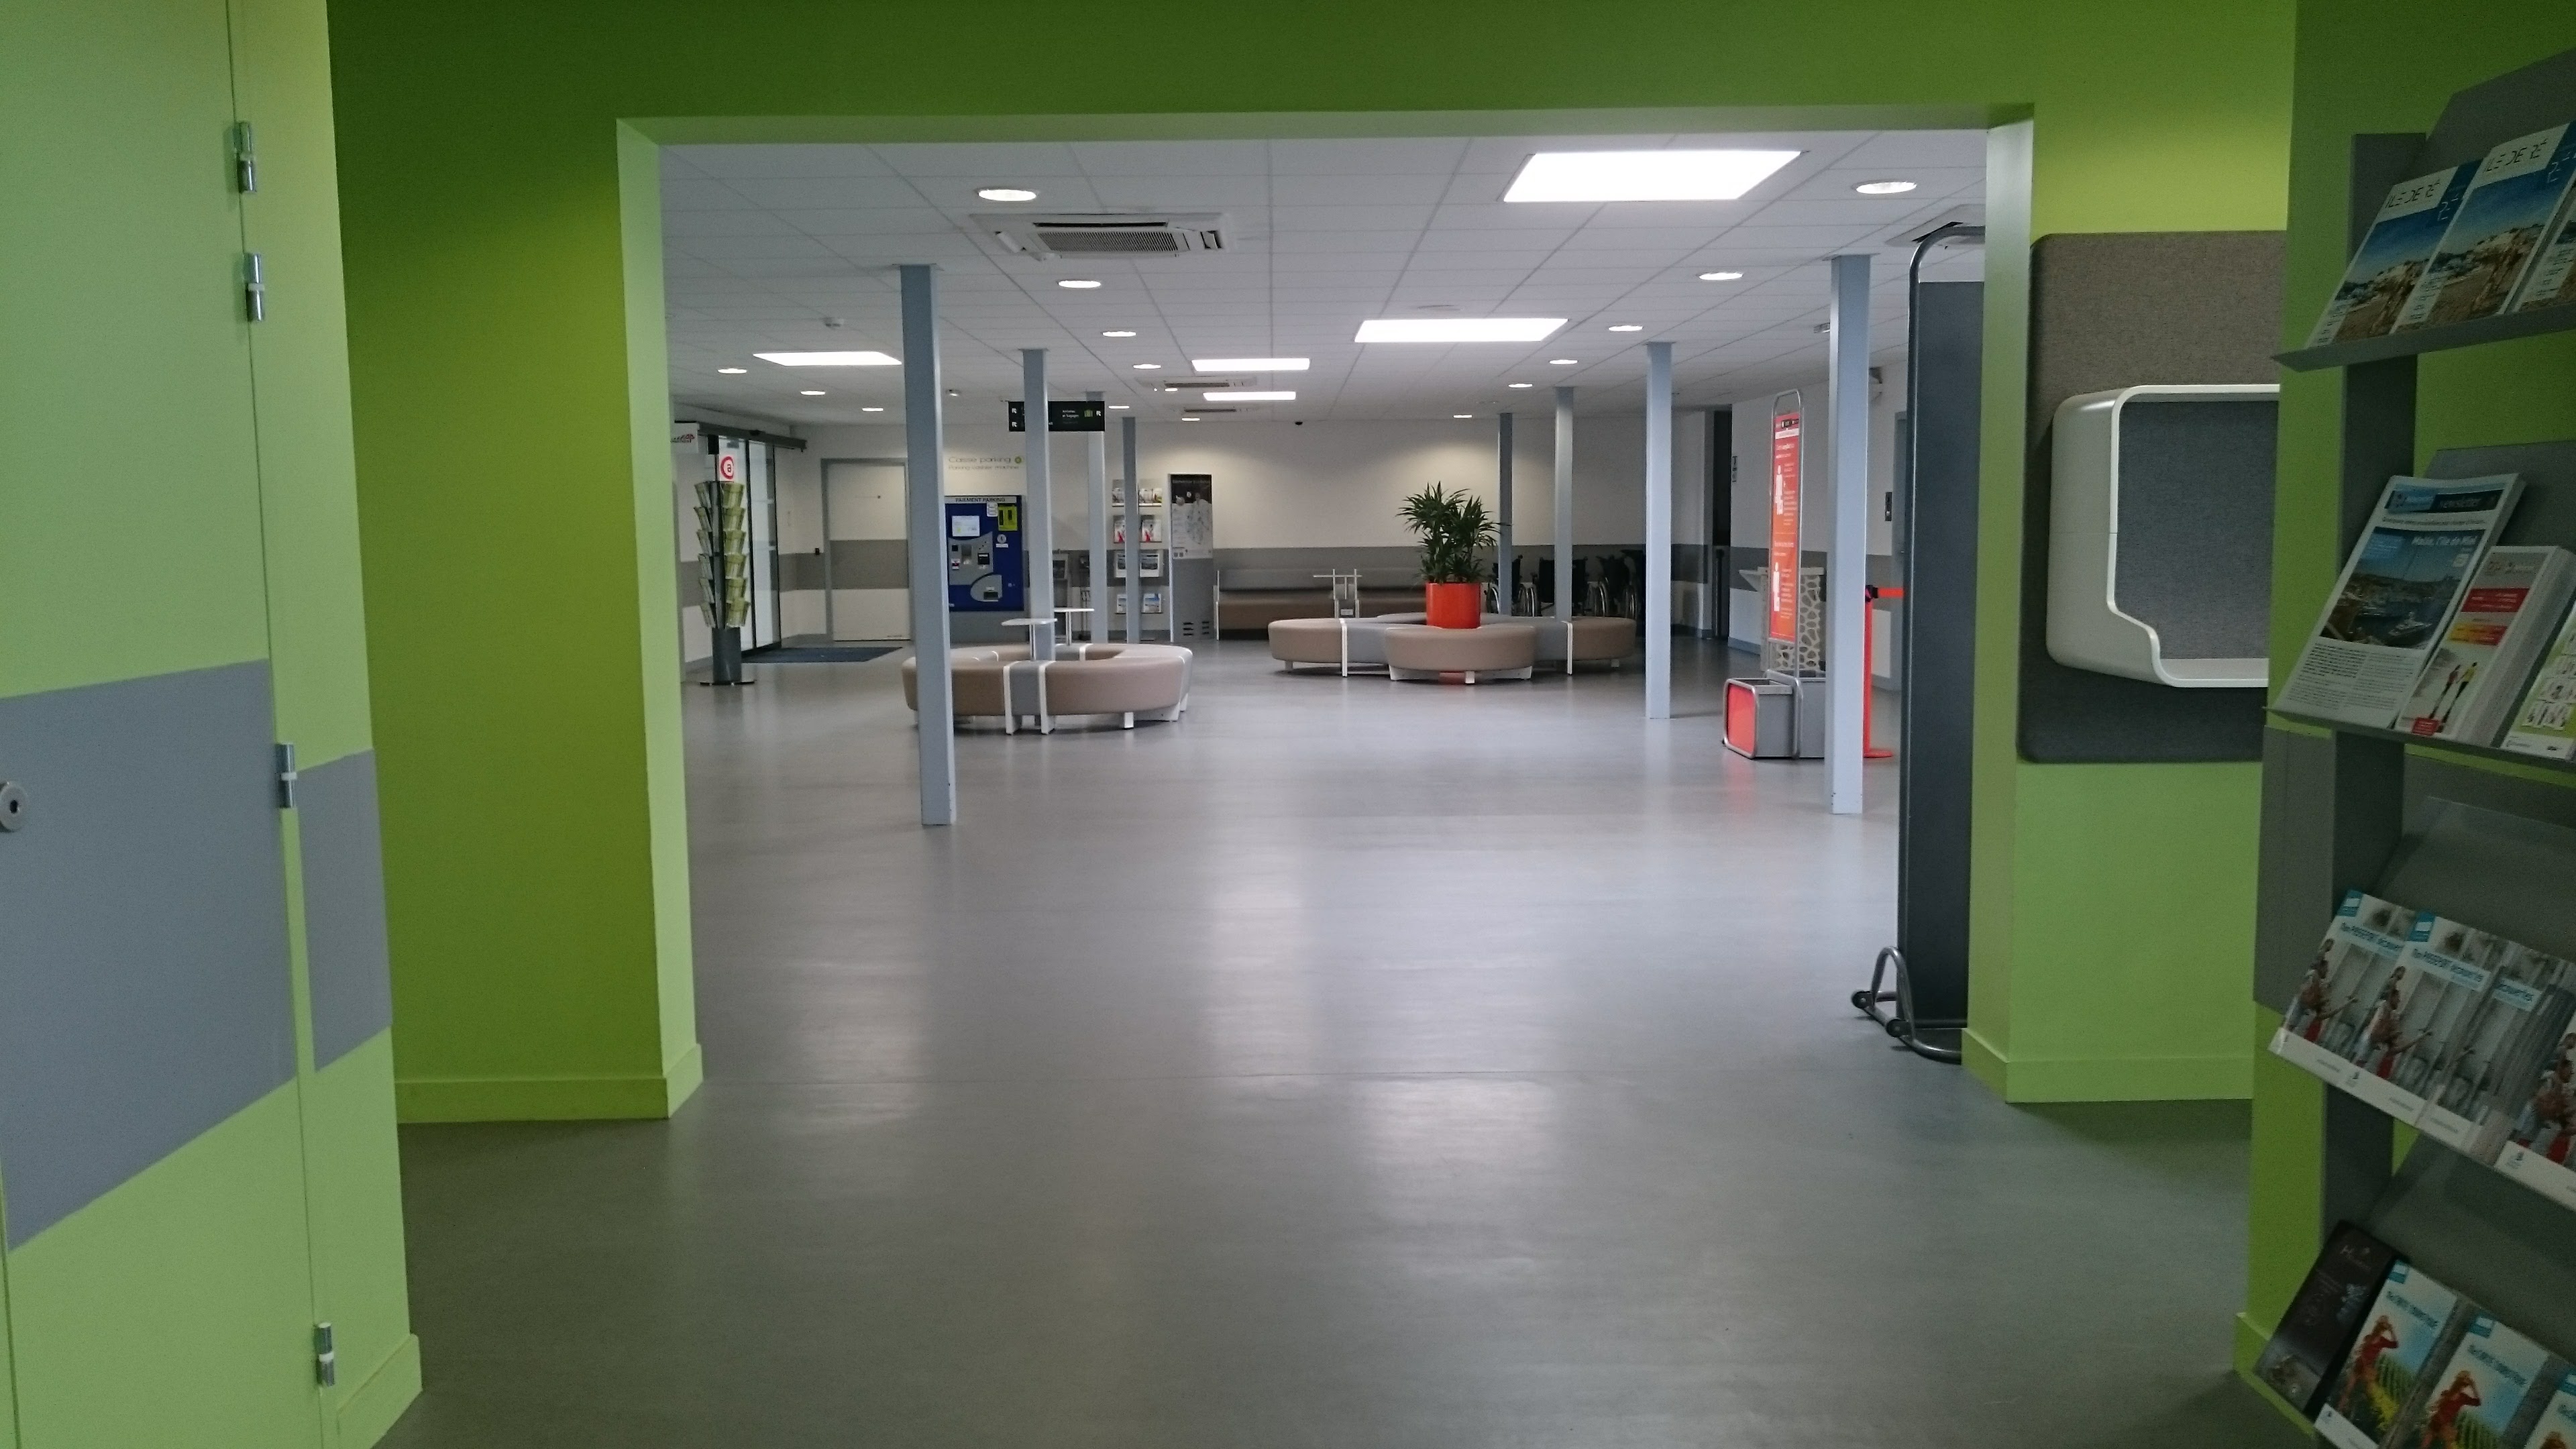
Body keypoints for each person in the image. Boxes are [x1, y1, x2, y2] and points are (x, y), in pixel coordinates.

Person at [2342, 1317, 2401, 1420]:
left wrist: (2392, 1330)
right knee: (2348, 1390)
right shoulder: (2368, 1337)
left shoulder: (2382, 1341)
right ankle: (2341, 1408)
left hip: (2368, 1371)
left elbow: (2395, 1345)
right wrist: (2359, 1352)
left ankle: (2351, 1414)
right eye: (2379, 1326)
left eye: (2382, 1327)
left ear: (2384, 1329)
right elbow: (2360, 1350)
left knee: (2365, 1394)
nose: (2379, 1328)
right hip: (2359, 1366)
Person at [2416, 1368, 2481, 1449]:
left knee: (2443, 1441)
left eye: (2463, 1384)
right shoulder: (2450, 1394)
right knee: (2431, 1442)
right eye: (2462, 1383)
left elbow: (2477, 1403)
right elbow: (2436, 1406)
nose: (2462, 1386)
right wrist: (2473, 1386)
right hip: (2439, 1422)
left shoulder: (2461, 1397)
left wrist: (2473, 1386)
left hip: (2442, 1423)